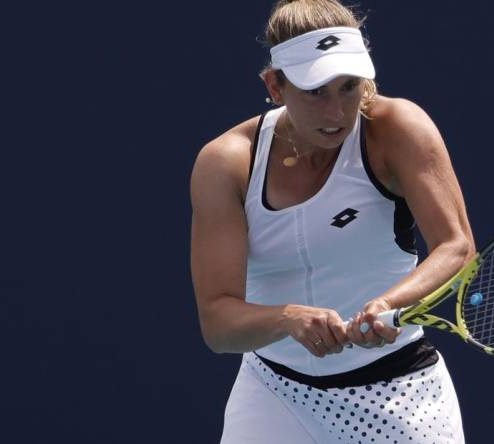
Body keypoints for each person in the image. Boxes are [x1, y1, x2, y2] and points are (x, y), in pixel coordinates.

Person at [190, 1, 475, 442]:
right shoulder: (227, 163)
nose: (337, 112)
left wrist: (387, 304)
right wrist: (288, 318)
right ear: (275, 85)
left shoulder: (396, 129)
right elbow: (218, 324)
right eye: (316, 90)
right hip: (274, 394)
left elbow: (456, 248)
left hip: (399, 395)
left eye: (349, 87)